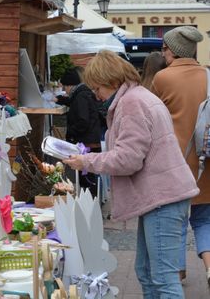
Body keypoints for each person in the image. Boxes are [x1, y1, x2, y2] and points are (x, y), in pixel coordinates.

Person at [63, 50, 199, 298]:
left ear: (111, 81)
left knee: (162, 278)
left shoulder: (131, 103)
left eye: (98, 88)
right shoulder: (136, 97)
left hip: (162, 197)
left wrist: (86, 161)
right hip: (161, 196)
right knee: (148, 273)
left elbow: (128, 159)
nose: (96, 95)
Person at [152, 25, 210, 286]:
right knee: (204, 218)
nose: (162, 53)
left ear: (173, 51)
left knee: (174, 220)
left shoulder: (163, 78)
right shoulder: (208, 76)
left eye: (164, 48)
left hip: (174, 163)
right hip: (205, 161)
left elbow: (152, 118)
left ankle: (178, 271)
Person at [56, 67, 102, 197]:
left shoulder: (81, 96)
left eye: (65, 87)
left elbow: (83, 121)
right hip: (90, 141)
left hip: (87, 145)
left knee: (87, 179)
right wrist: (59, 99)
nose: (65, 91)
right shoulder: (81, 93)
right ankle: (90, 206)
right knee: (88, 179)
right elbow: (72, 102)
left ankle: (90, 208)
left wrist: (70, 133)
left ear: (70, 85)